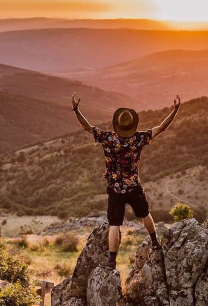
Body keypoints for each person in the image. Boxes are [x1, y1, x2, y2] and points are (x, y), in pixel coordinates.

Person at [71, 93, 181, 269]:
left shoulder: (108, 138)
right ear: (132, 125)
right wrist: (175, 110)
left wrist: (76, 109)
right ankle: (155, 242)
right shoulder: (138, 139)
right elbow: (161, 128)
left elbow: (87, 127)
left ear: (117, 125)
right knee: (145, 214)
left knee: (114, 224)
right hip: (133, 186)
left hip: (115, 189)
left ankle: (112, 260)